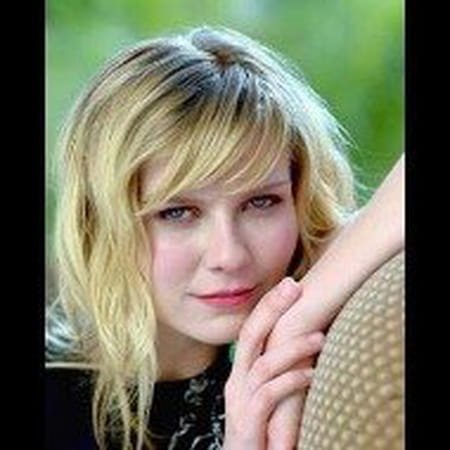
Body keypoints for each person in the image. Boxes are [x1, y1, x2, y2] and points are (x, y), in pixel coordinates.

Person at [45, 25, 404, 450]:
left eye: (261, 202)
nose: (229, 255)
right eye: (177, 212)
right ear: (100, 220)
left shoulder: (307, 277)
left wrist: (302, 313)